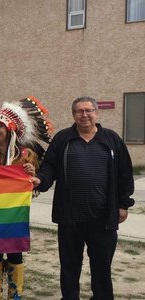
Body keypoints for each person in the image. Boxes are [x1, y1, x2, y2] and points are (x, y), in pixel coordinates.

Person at [31, 96, 135, 300]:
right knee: (69, 266)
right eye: (79, 111)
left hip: (103, 218)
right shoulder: (62, 139)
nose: (84, 115)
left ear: (96, 113)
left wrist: (123, 204)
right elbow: (49, 167)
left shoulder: (111, 139)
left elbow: (125, 173)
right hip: (70, 217)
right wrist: (40, 180)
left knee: (102, 267)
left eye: (88, 110)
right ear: (73, 115)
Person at [0, 97, 52, 300]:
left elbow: (38, 176)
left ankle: (14, 296)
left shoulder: (25, 154)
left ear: (9, 129)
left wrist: (31, 171)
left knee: (14, 253)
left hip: (15, 213)